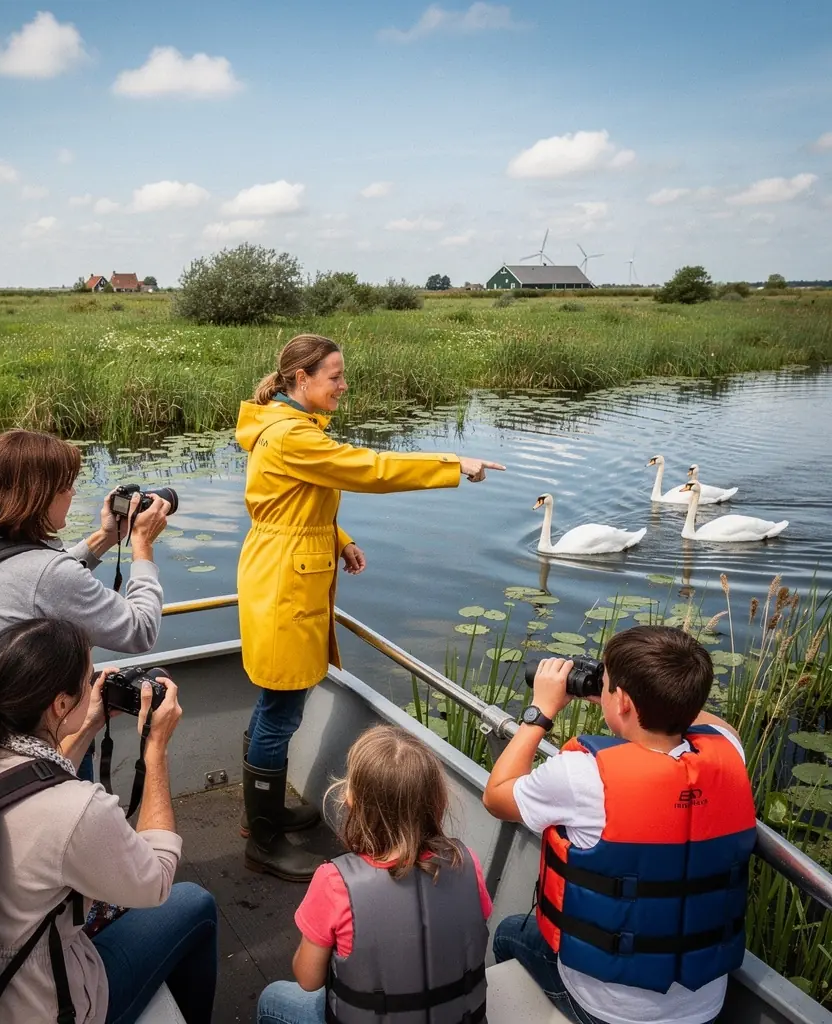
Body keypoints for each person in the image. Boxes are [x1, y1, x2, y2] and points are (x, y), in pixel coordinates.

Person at [237, 333, 505, 880]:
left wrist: (339, 539)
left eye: (342, 374)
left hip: (283, 570)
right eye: (334, 376)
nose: (343, 385)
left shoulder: (289, 428)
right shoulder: (292, 436)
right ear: (299, 380)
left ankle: (263, 815)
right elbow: (370, 469)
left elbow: (295, 500)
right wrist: (454, 463)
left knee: (277, 701)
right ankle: (262, 840)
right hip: (285, 583)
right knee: (281, 707)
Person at [482, 626, 757, 1024]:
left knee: (509, 932)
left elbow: (496, 796)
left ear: (623, 702)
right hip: (704, 1008)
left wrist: (540, 711)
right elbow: (713, 724)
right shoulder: (729, 752)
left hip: (606, 1010)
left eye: (606, 684)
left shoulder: (582, 774)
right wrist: (633, 695)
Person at [0, 617, 217, 1024]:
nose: (94, 684)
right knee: (194, 903)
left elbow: (29, 779)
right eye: (88, 678)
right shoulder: (76, 810)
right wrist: (156, 750)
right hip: (42, 1005)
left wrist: (89, 721)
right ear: (59, 704)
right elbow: (156, 880)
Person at [0, 429, 169, 780]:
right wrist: (142, 546)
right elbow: (140, 631)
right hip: (43, 739)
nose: (73, 493)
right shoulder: (48, 574)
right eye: (65, 486)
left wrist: (106, 537)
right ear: (38, 497)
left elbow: (34, 577)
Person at [256, 724, 491, 1024]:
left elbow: (308, 979)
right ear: (437, 801)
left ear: (351, 800)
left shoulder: (334, 882)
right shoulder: (467, 863)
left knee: (273, 999)